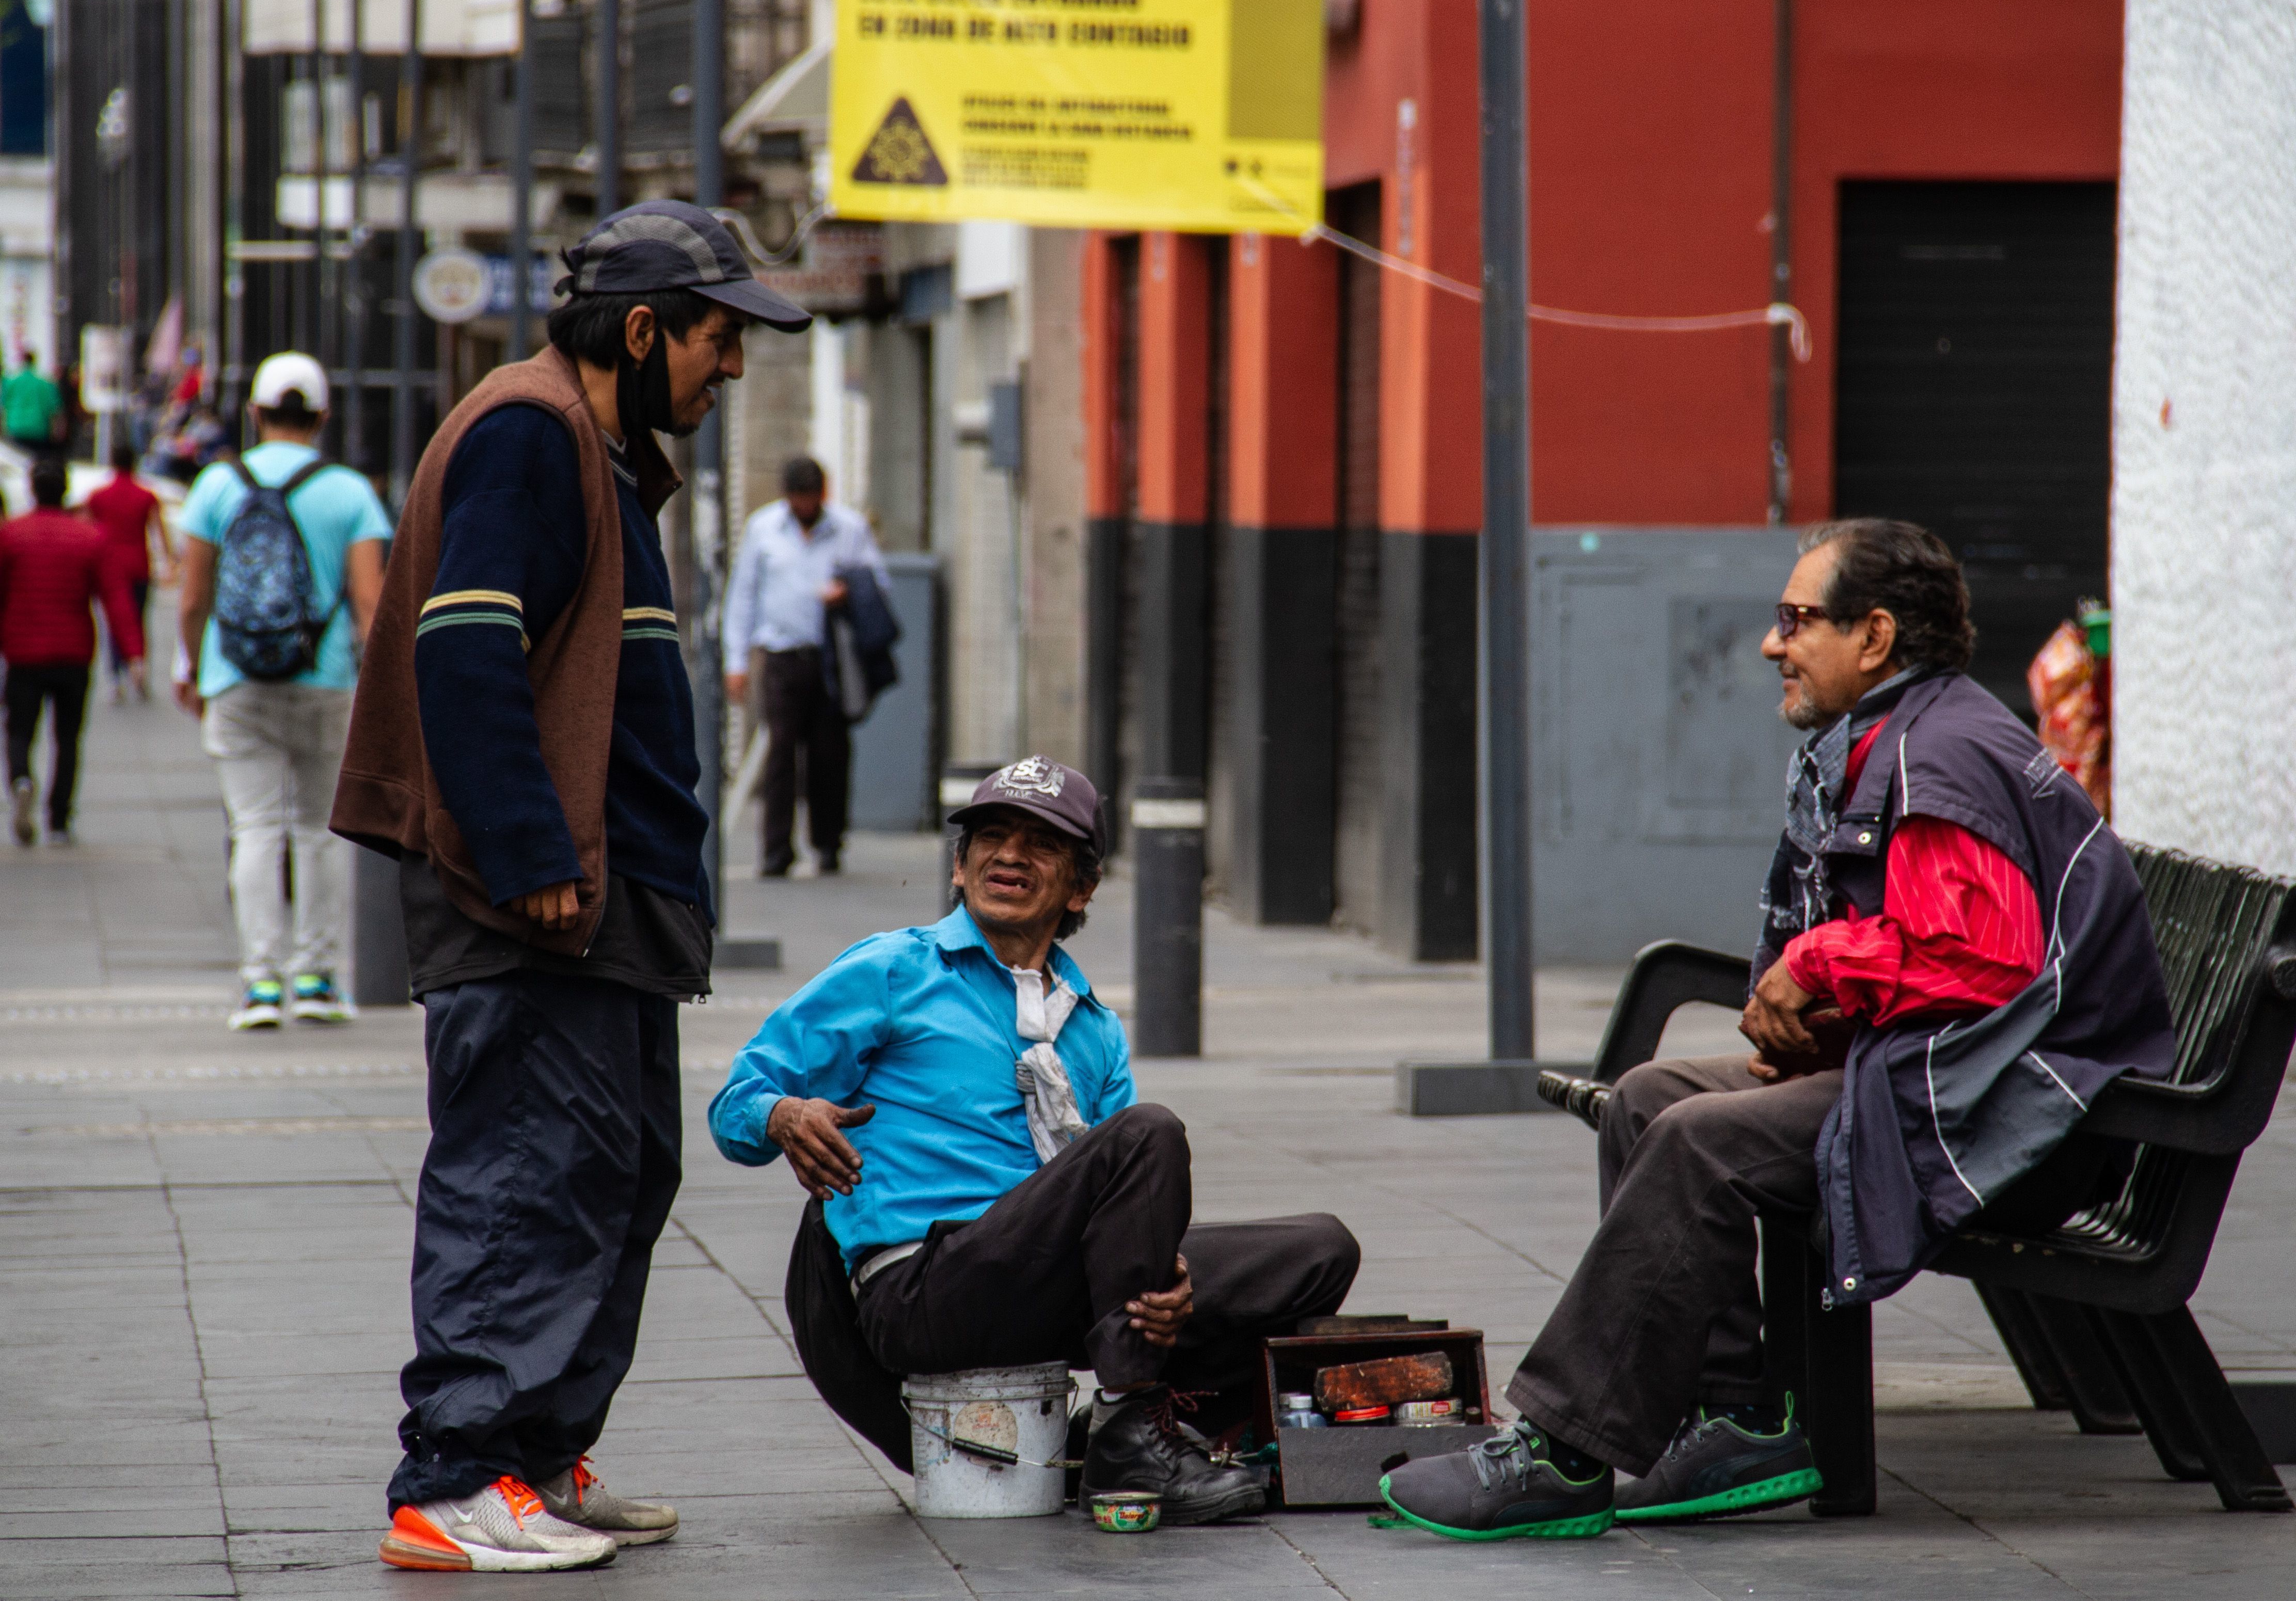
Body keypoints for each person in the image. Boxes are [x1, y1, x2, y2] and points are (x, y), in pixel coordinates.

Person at [1379, 519, 2177, 1540]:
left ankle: (1565, 1452)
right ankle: (1734, 1417)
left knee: (1698, 1139)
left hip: (2020, 1119)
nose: (1773, 644)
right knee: (1648, 1097)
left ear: (1876, 636)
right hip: (1966, 1084)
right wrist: (1824, 1011)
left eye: (1798, 620)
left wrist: (1816, 967)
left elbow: (1985, 961)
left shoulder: (1938, 757)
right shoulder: (1910, 733)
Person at [330, 200, 814, 1575]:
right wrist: (531, 853)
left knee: (614, 1172)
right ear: (646, 328)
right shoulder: (529, 432)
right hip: (540, 903)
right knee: (523, 1180)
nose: (732, 368)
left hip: (611, 909)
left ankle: (533, 1458)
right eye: (720, 338)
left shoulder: (593, 450)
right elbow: (466, 651)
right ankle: (455, 1477)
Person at [710, 755, 1363, 1524]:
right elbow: (734, 1105)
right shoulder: (893, 968)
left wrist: (1170, 1275)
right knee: (1146, 1132)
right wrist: (785, 1115)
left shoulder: (1093, 1028)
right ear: (960, 865)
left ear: (1081, 887)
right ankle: (1131, 1427)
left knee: (1320, 1249)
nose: (1008, 854)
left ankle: (1106, 1430)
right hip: (927, 1289)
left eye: (1040, 842)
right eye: (990, 835)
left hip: (1051, 1284)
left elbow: (1125, 1204)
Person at [176, 353, 391, 1031]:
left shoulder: (215, 484)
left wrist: (190, 666)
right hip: (325, 678)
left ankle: (261, 983)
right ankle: (318, 978)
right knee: (322, 832)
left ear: (255, 413)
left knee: (256, 829)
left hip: (236, 676)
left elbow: (192, 597)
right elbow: (367, 600)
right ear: (322, 416)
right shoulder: (351, 490)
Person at [722, 454, 887, 877]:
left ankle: (829, 844)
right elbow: (743, 594)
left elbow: (877, 583)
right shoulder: (764, 529)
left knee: (829, 752)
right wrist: (736, 661)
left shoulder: (849, 529)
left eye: (813, 498)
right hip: (780, 656)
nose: (806, 506)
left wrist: (846, 590)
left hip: (829, 656)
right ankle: (777, 850)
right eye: (800, 499)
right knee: (781, 753)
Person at [0, 461, 142, 845]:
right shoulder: (89, 537)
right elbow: (115, 597)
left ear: (32, 489)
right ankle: (59, 819)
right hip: (74, 653)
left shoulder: (11, 535)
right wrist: (134, 653)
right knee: (67, 736)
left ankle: (21, 779)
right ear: (65, 491)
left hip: (23, 651)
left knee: (20, 729)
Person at [83, 437, 176, 700]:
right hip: (139, 565)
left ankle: (116, 677)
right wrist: (168, 562)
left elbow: (89, 531)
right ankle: (139, 666)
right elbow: (160, 532)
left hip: (109, 568)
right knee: (138, 618)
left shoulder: (98, 497)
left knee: (114, 621)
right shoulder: (146, 495)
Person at [3, 347, 64, 456]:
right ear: (34, 361)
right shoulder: (46, 383)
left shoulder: (11, 382)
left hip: (16, 428)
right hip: (39, 430)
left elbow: (3, 404)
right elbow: (56, 408)